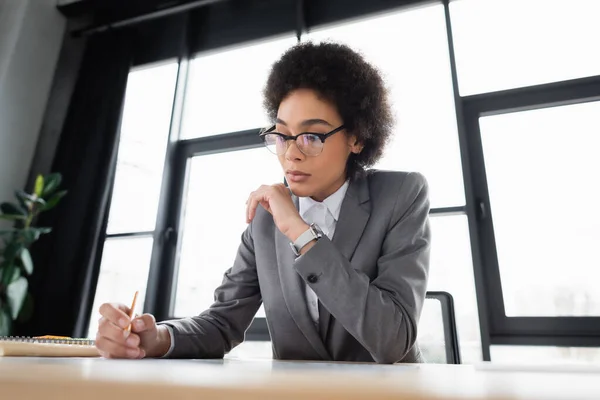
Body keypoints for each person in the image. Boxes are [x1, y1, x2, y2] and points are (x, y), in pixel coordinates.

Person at [95, 41, 431, 364]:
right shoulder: (266, 217)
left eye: (312, 136)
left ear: (356, 137)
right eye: (283, 135)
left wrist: (300, 233)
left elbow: (393, 339)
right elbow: (221, 323)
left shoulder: (401, 194)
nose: (291, 153)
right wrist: (156, 338)